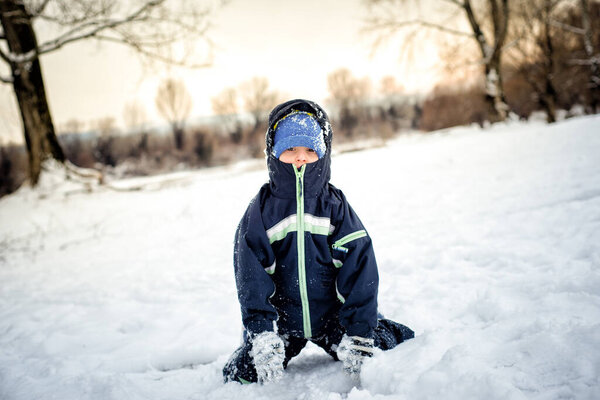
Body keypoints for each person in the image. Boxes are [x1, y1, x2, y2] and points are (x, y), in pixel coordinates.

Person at [223, 99, 414, 384]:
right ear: (273, 153)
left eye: (310, 149)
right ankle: (264, 347)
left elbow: (359, 265)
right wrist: (262, 332)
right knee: (242, 374)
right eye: (290, 149)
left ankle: (362, 337)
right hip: (283, 323)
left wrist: (359, 329)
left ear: (323, 153)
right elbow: (250, 277)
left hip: (332, 320)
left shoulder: (334, 206)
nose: (300, 157)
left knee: (382, 345)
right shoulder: (261, 212)